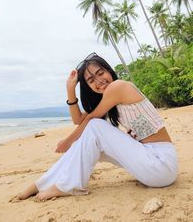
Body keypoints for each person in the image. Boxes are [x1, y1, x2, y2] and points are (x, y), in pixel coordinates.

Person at [16, 52, 178, 201]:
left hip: (161, 163)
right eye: (91, 80)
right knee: (87, 140)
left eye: (101, 73)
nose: (99, 81)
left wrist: (67, 141)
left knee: (94, 126)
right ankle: (41, 184)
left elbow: (91, 120)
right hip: (150, 166)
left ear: (109, 70)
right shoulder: (109, 102)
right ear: (88, 87)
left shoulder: (119, 87)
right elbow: (79, 120)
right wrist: (70, 89)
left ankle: (67, 185)